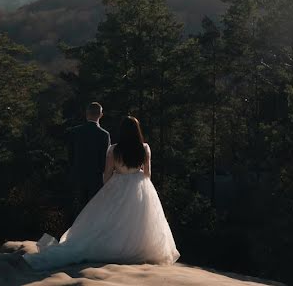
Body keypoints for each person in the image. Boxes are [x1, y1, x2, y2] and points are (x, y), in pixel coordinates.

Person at [23, 115, 179, 270]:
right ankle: (134, 250)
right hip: (139, 185)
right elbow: (147, 174)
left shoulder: (114, 149)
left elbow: (106, 174)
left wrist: (111, 189)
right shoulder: (144, 148)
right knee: (139, 221)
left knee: (111, 220)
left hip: (118, 183)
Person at [67, 102, 111, 211]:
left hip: (78, 177)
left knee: (79, 210)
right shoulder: (104, 135)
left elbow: (70, 155)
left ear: (86, 114)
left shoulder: (75, 132)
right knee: (94, 211)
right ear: (100, 115)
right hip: (96, 179)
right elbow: (104, 160)